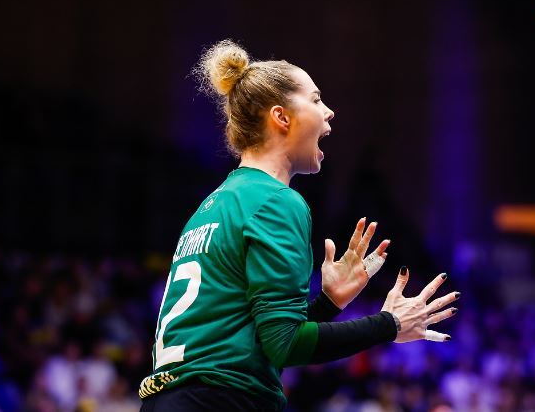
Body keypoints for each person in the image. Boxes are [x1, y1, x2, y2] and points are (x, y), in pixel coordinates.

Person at [138, 40, 459, 411]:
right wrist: (389, 324)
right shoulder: (277, 201)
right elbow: (284, 346)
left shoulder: (216, 203)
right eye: (317, 99)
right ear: (282, 117)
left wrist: (328, 302)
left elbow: (263, 344)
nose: (330, 112)